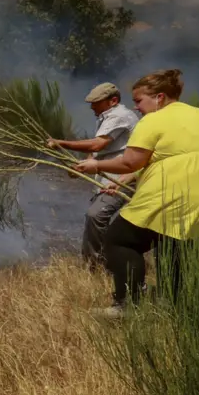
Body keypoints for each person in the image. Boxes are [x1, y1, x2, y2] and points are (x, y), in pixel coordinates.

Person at [74, 69, 199, 317]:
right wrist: (125, 181)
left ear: (159, 97)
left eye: (139, 100)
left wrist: (95, 165)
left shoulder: (153, 120)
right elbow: (173, 156)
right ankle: (180, 310)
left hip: (177, 194)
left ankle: (128, 305)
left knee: (119, 240)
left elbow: (131, 161)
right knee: (175, 252)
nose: (137, 108)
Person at [46, 82, 140, 268]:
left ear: (113, 101)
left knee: (95, 215)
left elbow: (97, 144)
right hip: (108, 180)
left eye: (96, 102)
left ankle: (95, 265)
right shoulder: (107, 116)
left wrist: (60, 143)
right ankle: (105, 263)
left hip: (122, 179)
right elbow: (98, 149)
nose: (92, 106)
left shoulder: (119, 116)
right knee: (98, 218)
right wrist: (81, 166)